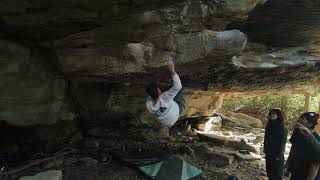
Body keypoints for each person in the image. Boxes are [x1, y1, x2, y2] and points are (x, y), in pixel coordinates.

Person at [145, 59, 186, 127]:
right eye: (158, 88)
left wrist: (156, 84)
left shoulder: (149, 106)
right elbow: (178, 86)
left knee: (170, 94)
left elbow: (153, 93)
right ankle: (181, 80)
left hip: (167, 122)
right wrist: (172, 70)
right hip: (177, 112)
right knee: (180, 89)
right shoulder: (164, 98)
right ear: (158, 91)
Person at [286, 112, 320, 180]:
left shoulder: (317, 140)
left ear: (310, 124)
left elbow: (315, 165)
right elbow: (293, 149)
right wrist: (287, 164)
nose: (299, 120)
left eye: (303, 119)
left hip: (307, 176)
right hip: (295, 172)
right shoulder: (297, 132)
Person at [264, 108, 288, 180]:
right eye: (270, 114)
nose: (271, 115)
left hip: (277, 153)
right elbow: (266, 138)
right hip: (269, 151)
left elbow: (282, 142)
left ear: (278, 115)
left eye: (273, 114)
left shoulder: (282, 127)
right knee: (269, 170)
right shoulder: (269, 125)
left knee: (277, 172)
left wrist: (279, 154)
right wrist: (265, 148)